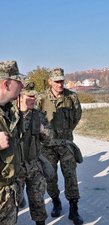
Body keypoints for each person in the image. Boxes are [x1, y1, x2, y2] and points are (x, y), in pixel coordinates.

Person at [37, 68, 83, 225]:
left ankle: (73, 209)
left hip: (66, 145)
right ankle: (56, 201)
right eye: (56, 81)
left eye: (62, 80)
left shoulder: (71, 97)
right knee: (50, 178)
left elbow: (77, 116)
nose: (60, 84)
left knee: (71, 177)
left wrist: (65, 132)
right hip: (47, 147)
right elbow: (35, 119)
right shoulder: (41, 98)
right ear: (50, 81)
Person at [17, 81, 55, 225]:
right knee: (12, 203)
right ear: (20, 96)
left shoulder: (38, 115)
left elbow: (49, 139)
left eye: (34, 97)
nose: (33, 100)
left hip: (34, 165)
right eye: (29, 96)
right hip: (16, 168)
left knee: (38, 200)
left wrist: (43, 131)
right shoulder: (11, 116)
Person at [0, 60, 24, 224]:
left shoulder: (10, 111)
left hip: (9, 194)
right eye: (18, 81)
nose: (22, 86)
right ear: (6, 84)